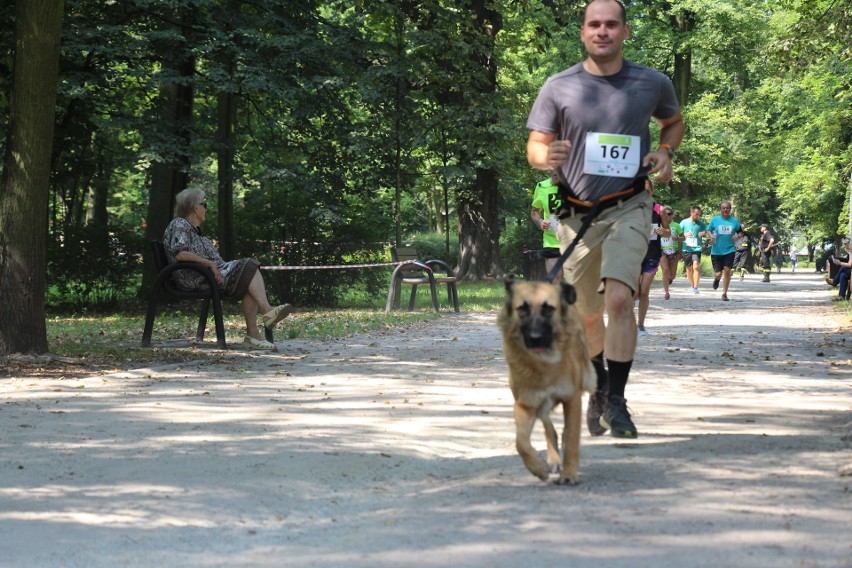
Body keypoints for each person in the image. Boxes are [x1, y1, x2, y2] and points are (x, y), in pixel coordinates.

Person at [526, 0, 685, 439]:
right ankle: (598, 387)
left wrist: (665, 152)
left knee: (619, 299)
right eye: (594, 25)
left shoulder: (651, 82)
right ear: (583, 33)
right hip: (575, 212)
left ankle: (617, 402)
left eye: (611, 25)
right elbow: (536, 146)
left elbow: (673, 122)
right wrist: (546, 158)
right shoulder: (559, 87)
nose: (602, 32)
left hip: (630, 203)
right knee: (587, 316)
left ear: (624, 32)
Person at [163, 188, 293, 350]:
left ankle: (254, 334)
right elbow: (180, 253)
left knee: (249, 276)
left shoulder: (193, 230)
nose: (206, 208)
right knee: (249, 265)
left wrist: (213, 266)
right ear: (195, 208)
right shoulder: (180, 223)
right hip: (197, 278)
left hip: (209, 274)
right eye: (204, 204)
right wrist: (209, 264)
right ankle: (267, 312)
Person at [636, 197, 671, 334]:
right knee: (633, 292)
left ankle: (641, 325)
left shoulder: (659, 209)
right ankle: (625, 321)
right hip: (633, 255)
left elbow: (668, 232)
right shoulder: (630, 206)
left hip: (652, 256)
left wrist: (663, 231)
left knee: (644, 292)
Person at [530, 173, 564, 282]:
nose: (555, 171)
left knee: (576, 280)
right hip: (552, 240)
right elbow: (534, 211)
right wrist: (540, 222)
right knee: (555, 276)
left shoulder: (575, 185)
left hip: (573, 239)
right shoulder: (541, 186)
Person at [706, 200, 742, 301]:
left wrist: (736, 236)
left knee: (727, 270)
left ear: (730, 209)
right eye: (723, 208)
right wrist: (711, 235)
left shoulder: (734, 221)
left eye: (727, 208)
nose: (725, 210)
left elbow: (740, 232)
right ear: (720, 209)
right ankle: (717, 279)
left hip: (729, 250)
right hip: (716, 251)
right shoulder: (715, 220)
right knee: (718, 274)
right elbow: (708, 230)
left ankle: (724, 293)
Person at [680, 205, 709, 294]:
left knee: (696, 266)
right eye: (696, 214)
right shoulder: (684, 222)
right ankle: (692, 285)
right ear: (691, 213)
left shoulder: (700, 223)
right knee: (689, 269)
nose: (697, 216)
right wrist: (684, 235)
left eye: (699, 214)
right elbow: (678, 234)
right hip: (687, 248)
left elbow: (708, 230)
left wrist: (703, 232)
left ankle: (696, 287)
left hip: (697, 248)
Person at [659, 205, 681, 300]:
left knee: (672, 275)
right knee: (665, 270)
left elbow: (682, 238)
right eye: (665, 214)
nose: (667, 216)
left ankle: (670, 279)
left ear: (672, 215)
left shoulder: (676, 226)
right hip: (662, 250)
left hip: (673, 251)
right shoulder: (659, 225)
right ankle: (666, 292)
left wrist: (676, 238)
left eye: (669, 214)